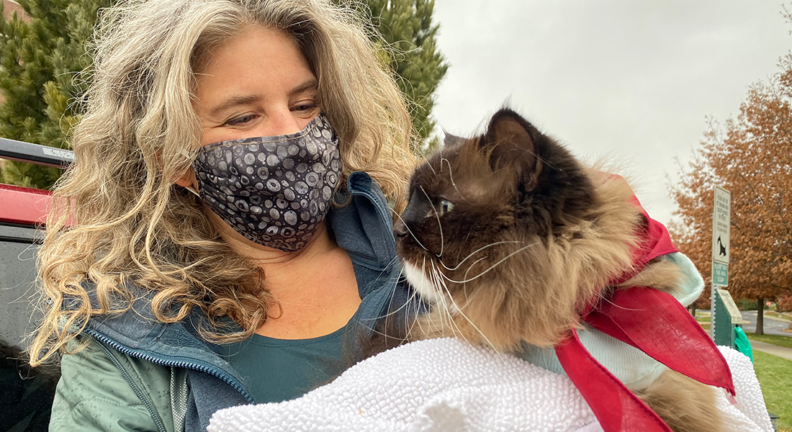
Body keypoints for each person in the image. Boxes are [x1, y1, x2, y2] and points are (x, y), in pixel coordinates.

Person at [29, 0, 417, 430]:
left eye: (306, 105)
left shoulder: (426, 248)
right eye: (244, 117)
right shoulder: (124, 334)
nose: (294, 134)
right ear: (174, 161)